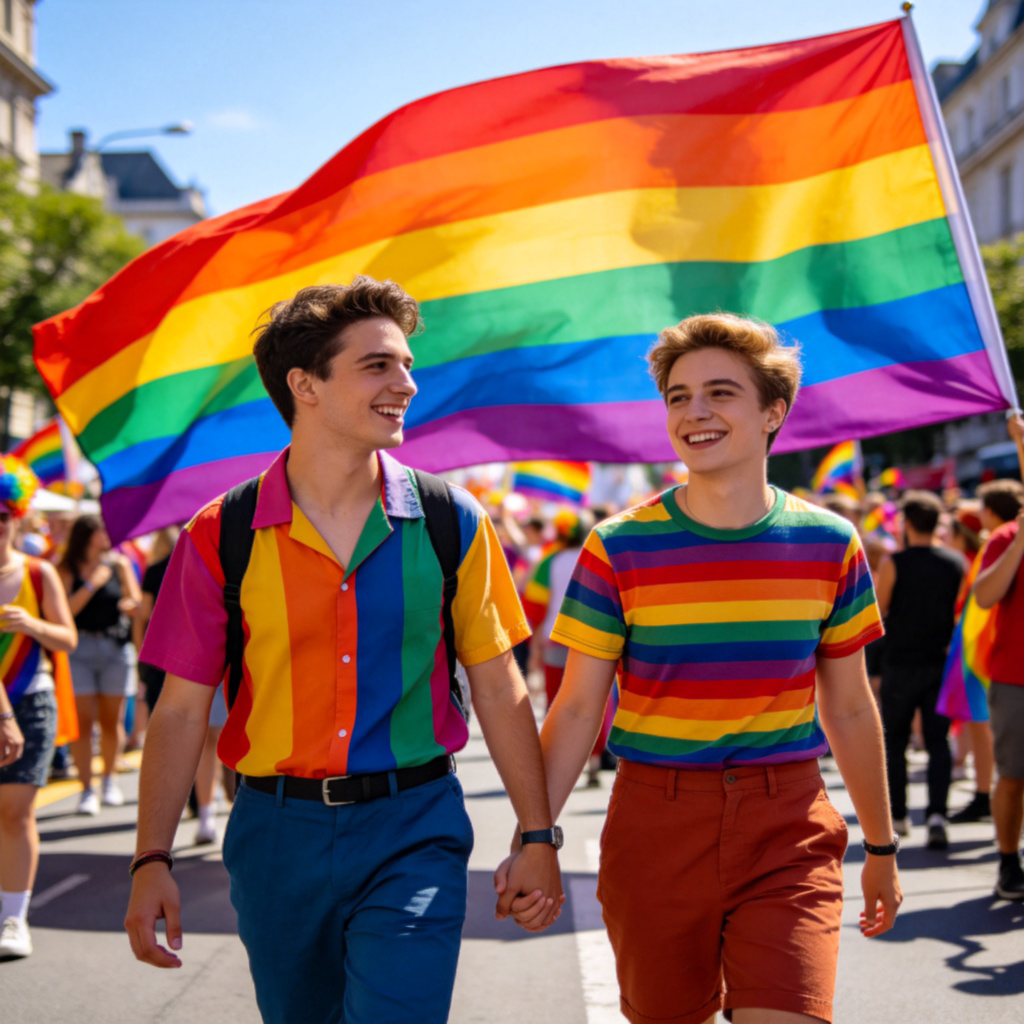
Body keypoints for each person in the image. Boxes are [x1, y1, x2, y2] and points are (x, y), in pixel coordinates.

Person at [124, 277, 562, 1023]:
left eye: (406, 364)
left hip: (413, 825)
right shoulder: (218, 535)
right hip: (272, 836)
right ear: (306, 385)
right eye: (378, 366)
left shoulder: (452, 519)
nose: (407, 384)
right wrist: (150, 859)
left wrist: (538, 834)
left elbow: (498, 685)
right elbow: (180, 712)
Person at [499, 313, 901, 1024]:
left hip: (790, 826)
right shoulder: (615, 547)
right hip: (655, 824)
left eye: (720, 392)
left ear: (773, 411)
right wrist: (535, 836)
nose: (696, 413)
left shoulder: (831, 543)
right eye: (679, 396)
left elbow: (848, 706)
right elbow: (578, 709)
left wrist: (881, 845)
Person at [0, 456, 77, 960]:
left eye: (3, 512)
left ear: (18, 514)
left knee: (15, 811)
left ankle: (13, 917)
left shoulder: (38, 572)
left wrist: (31, 625)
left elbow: (66, 638)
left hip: (32, 699)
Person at [874, 491, 965, 850]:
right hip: (938, 662)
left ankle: (898, 816)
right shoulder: (955, 561)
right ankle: (937, 816)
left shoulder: (895, 562)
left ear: (907, 524)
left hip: (900, 662)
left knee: (895, 742)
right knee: (937, 742)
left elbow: (881, 610)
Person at [56, 515, 141, 815]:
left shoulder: (119, 564)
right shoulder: (67, 568)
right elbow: (64, 611)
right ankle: (86, 788)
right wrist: (92, 584)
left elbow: (135, 601)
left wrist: (130, 606)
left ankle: (108, 780)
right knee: (81, 723)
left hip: (114, 648)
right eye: (101, 530)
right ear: (88, 535)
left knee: (111, 719)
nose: (108, 534)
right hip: (78, 648)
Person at [972, 414, 1024, 901]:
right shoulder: (1007, 537)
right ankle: (1009, 860)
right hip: (1016, 678)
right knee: (1013, 776)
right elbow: (985, 597)